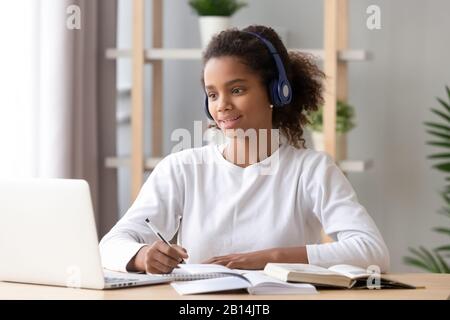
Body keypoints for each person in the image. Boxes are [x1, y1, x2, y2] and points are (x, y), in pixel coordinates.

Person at [99, 25, 390, 275]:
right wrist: (142, 256)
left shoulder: (312, 170)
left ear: (277, 91)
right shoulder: (181, 168)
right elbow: (110, 245)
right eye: (212, 94)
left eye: (237, 90)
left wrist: (270, 258)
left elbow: (373, 252)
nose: (221, 105)